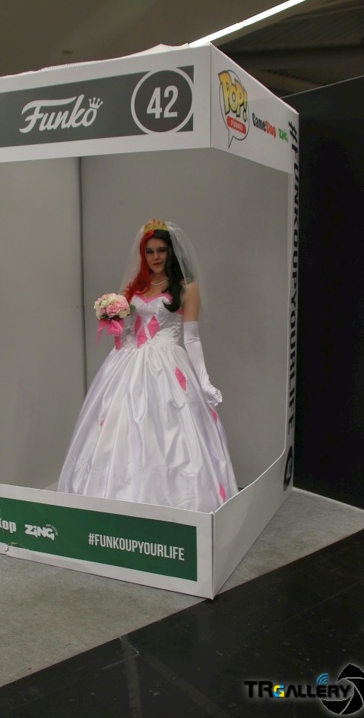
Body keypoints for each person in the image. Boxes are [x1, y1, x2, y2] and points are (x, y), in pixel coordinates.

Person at [58, 218, 238, 513]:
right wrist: (114, 323)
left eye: (161, 250)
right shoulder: (135, 287)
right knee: (120, 427)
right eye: (150, 251)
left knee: (167, 431)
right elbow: (127, 332)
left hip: (166, 363)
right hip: (128, 363)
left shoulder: (186, 288)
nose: (156, 257)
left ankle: (170, 500)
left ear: (171, 252)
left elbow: (192, 338)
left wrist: (204, 381)